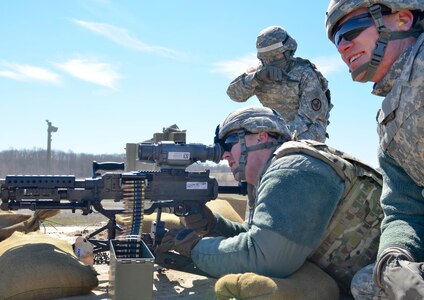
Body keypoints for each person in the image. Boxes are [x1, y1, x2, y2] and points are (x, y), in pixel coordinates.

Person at [156, 106, 383, 296]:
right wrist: (212, 225)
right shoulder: (269, 174)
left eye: (229, 143)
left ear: (261, 136)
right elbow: (258, 234)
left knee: (366, 284)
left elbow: (264, 256)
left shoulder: (293, 169)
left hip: (387, 277)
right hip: (352, 277)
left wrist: (194, 248)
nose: (224, 155)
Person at [325, 0, 424, 298]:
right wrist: (394, 259)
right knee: (368, 283)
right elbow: (403, 206)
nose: (342, 47)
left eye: (350, 31)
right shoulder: (388, 120)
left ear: (402, 19)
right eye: (336, 41)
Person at [226, 26, 332, 142]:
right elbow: (234, 94)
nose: (271, 61)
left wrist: (278, 135)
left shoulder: (305, 72)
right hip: (276, 132)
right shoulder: (261, 74)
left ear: (288, 52)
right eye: (267, 58)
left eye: (276, 56)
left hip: (308, 130)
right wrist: (257, 78)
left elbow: (309, 117)